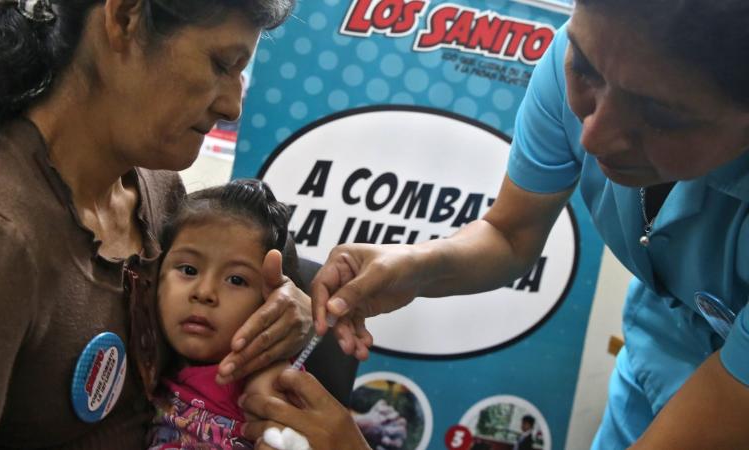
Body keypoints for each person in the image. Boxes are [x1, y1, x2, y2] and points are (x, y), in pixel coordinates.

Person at [249, 1, 749, 449]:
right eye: (585, 71)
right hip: (658, 352)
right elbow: (510, 234)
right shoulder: (590, 51)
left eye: (661, 115)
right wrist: (415, 264)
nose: (593, 138)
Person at [0, 0, 314, 448]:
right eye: (221, 64)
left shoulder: (159, 191)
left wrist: (287, 316)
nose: (232, 105)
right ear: (124, 19)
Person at [147, 179, 302, 449]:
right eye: (188, 270)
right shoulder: (149, 354)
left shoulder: (263, 376)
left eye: (236, 280)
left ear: (272, 304)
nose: (204, 292)